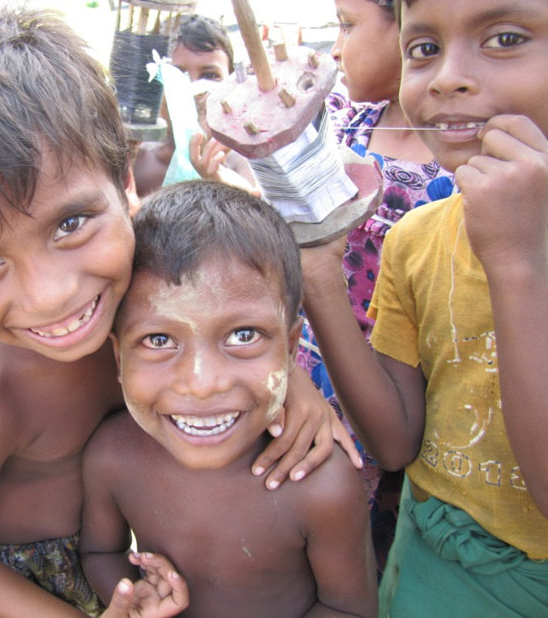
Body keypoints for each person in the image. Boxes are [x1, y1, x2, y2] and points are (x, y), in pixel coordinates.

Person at [0, 5, 361, 617]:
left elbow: (235, 317)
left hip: (131, 540)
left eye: (69, 224)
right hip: (40, 581)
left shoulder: (144, 264)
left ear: (122, 180)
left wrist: (291, 383)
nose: (50, 295)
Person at [300, 0, 548, 614]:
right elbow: (395, 442)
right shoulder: (416, 239)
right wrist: (315, 270)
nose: (444, 77)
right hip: (427, 562)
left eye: (507, 38)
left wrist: (516, 263)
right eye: (424, 49)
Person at [81, 180, 377, 617]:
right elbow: (99, 555)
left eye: (243, 336)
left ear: (292, 349)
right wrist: (131, 595)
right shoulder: (111, 457)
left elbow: (349, 608)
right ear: (118, 357)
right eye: (159, 339)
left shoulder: (320, 484)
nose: (202, 384)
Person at [296, 0, 456, 575]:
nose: (337, 46)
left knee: (358, 547)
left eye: (347, 24)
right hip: (305, 370)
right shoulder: (344, 121)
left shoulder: (467, 164)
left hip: (393, 394)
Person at [132, 13, 259, 197]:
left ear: (230, 82)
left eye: (210, 75)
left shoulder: (244, 163)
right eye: (176, 75)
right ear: (152, 86)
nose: (195, 90)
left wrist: (225, 185)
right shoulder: (138, 163)